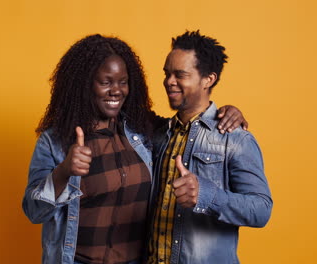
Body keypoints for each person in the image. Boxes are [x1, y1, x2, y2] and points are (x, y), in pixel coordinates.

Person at [22, 34, 246, 264]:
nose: (116, 91)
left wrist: (223, 112)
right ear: (84, 83)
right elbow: (34, 210)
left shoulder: (143, 130)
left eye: (123, 82)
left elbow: (189, 125)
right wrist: (63, 172)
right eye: (106, 82)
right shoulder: (56, 141)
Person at [146, 30, 273, 264]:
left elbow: (261, 209)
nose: (169, 82)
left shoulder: (234, 139)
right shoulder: (158, 134)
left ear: (208, 79)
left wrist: (206, 195)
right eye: (167, 73)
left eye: (180, 75)